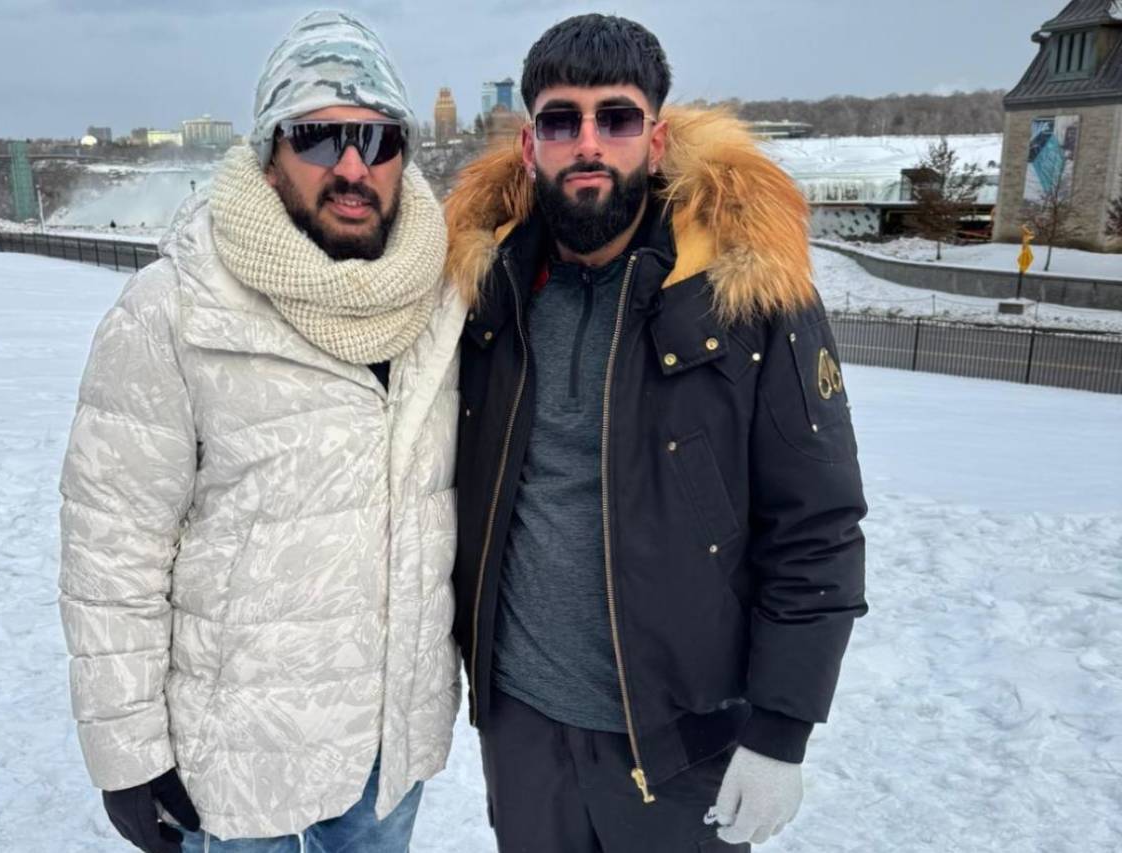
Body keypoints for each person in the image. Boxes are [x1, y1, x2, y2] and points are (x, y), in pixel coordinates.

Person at [445, 14, 868, 851]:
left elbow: (817, 522)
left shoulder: (744, 294)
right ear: (529, 145)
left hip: (681, 743)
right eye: (561, 120)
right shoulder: (487, 289)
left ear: (657, 136)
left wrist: (781, 728)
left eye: (617, 118)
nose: (588, 142)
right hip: (523, 732)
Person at [58, 11, 465, 852]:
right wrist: (127, 753)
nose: (351, 166)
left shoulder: (448, 296)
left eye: (377, 138)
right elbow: (113, 547)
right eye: (317, 137)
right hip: (234, 758)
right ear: (270, 154)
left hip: (388, 746)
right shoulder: (176, 309)